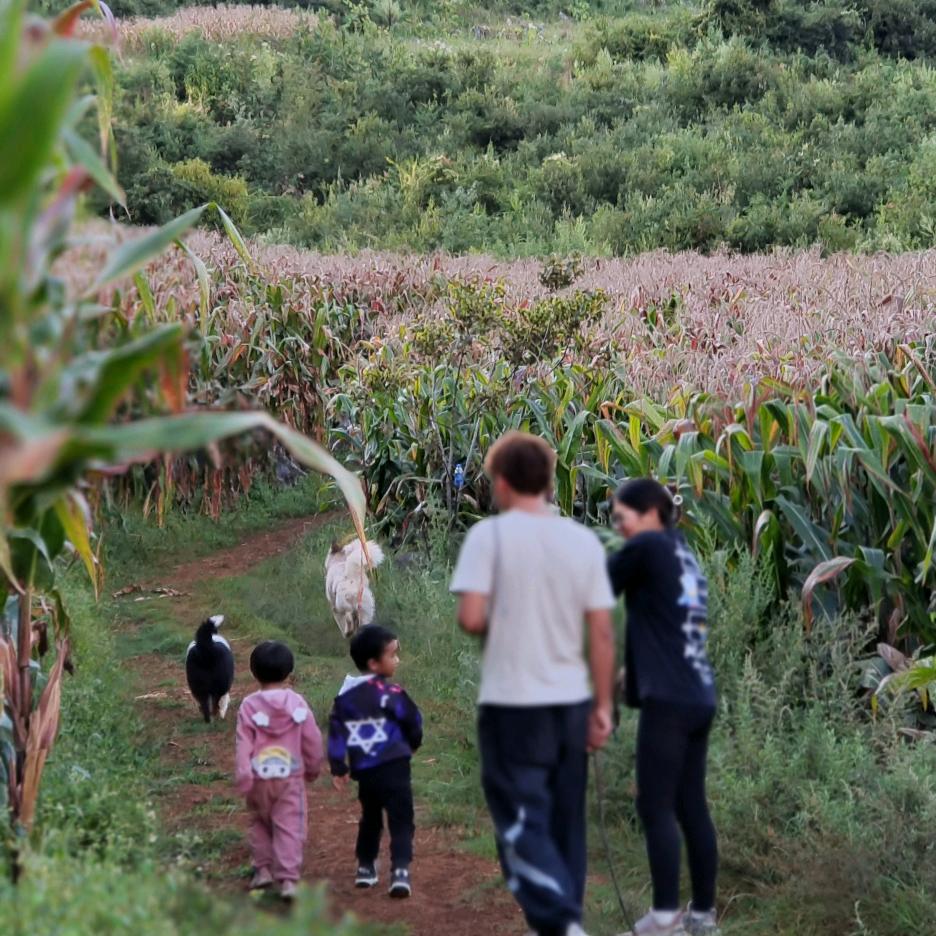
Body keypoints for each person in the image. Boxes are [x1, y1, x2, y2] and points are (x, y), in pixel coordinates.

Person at [450, 431, 616, 936]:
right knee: (567, 817)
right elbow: (603, 632)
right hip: (571, 701)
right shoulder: (582, 540)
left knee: (522, 821)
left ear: (501, 484)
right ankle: (564, 920)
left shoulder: (489, 537)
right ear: (547, 480)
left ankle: (561, 923)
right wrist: (603, 706)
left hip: (512, 704)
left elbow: (472, 616)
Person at [607, 479, 719, 936]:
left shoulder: (647, 546)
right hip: (698, 694)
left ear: (651, 512)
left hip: (668, 701)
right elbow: (661, 623)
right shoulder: (684, 556)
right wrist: (633, 678)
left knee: (654, 804)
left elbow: (594, 591)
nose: (619, 528)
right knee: (691, 804)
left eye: (622, 518)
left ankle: (664, 917)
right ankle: (702, 915)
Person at [328, 623, 423, 899]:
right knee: (401, 819)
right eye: (392, 655)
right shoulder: (393, 695)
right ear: (374, 663)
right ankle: (401, 871)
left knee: (370, 818)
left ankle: (366, 868)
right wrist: (413, 745)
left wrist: (338, 766)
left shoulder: (346, 700)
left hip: (366, 773)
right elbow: (414, 722)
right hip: (396, 767)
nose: (397, 660)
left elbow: (337, 732)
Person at [234, 640, 324, 900]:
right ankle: (288, 881)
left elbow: (243, 743)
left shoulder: (249, 705)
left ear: (253, 672)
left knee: (259, 823)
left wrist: (243, 774)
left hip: (258, 779)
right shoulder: (296, 703)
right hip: (290, 779)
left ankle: (262, 870)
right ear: (288, 672)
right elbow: (312, 739)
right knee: (289, 826)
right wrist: (313, 767)